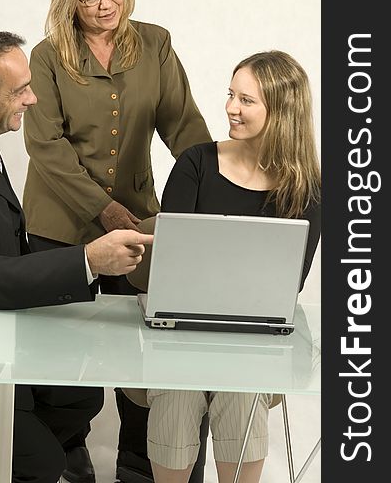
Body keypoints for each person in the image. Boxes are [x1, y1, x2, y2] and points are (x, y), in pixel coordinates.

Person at [0, 25, 153, 483]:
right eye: (20, 90)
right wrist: (89, 261)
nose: (33, 100)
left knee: (82, 397)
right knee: (42, 462)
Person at [22, 0, 212, 482]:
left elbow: (185, 129)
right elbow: (46, 147)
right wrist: (101, 208)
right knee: (64, 364)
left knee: (144, 352)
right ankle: (65, 455)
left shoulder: (155, 43)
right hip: (60, 227)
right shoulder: (46, 56)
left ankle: (137, 463)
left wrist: (212, 198)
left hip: (139, 224)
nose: (106, 5)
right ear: (69, 4)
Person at [127, 50, 321, 483]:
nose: (231, 108)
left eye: (246, 100)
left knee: (242, 387)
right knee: (177, 395)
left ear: (282, 111)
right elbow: (169, 266)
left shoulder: (306, 190)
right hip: (179, 333)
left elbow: (289, 284)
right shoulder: (196, 164)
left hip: (252, 342)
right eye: (231, 95)